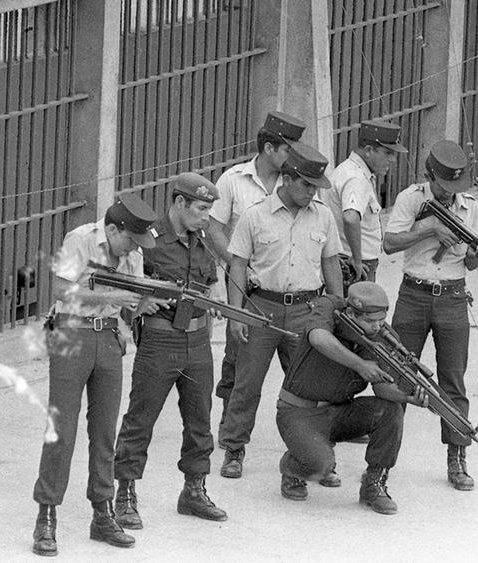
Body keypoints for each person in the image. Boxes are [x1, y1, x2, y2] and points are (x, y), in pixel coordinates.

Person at [31, 193, 165, 556]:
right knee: (62, 430)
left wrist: (144, 304)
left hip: (107, 335)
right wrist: (111, 297)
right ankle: (46, 515)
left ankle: (103, 512)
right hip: (71, 333)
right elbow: (61, 289)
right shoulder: (81, 239)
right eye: (130, 240)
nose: (133, 249)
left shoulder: (132, 253)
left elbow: (132, 304)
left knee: (105, 431)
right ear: (113, 230)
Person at [218, 141, 343, 479]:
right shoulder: (255, 215)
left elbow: (331, 262)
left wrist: (337, 308)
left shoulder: (323, 216)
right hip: (262, 309)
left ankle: (318, 457)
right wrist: (236, 314)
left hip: (307, 310)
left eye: (316, 187)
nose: (311, 193)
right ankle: (233, 449)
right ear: (287, 179)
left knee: (310, 388)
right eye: (306, 184)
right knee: (247, 384)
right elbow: (238, 265)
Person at [112, 173, 227, 529]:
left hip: (198, 342)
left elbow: (211, 284)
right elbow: (120, 283)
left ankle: (194, 489)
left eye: (209, 210)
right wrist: (139, 303)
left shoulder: (203, 241)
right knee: (140, 419)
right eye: (201, 209)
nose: (206, 217)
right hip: (160, 343)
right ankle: (125, 494)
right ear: (179, 203)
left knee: (200, 421)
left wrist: (215, 299)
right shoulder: (149, 241)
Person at [382, 140, 478, 489]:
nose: (449, 192)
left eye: (454, 186)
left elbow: (471, 262)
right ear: (430, 177)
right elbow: (389, 243)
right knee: (398, 375)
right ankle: (382, 461)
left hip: (452, 295)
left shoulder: (470, 207)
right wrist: (429, 228)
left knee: (453, 380)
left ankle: (457, 457)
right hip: (414, 293)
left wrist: (474, 255)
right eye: (443, 186)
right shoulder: (411, 199)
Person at [276, 282, 426, 515]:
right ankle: (291, 466)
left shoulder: (381, 336)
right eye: (370, 321)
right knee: (320, 466)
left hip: (337, 413)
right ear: (351, 312)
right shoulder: (329, 306)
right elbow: (319, 338)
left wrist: (408, 397)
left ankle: (374, 484)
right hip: (298, 412)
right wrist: (359, 364)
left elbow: (382, 390)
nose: (377, 326)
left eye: (381, 320)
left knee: (390, 410)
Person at [207, 111, 307, 419]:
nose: (294, 155)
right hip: (244, 284)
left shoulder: (293, 183)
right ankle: (231, 423)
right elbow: (213, 229)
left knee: (299, 360)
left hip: (283, 282)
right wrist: (239, 264)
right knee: (238, 356)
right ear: (268, 148)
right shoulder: (233, 180)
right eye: (288, 149)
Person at [322, 120, 407, 287]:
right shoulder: (356, 178)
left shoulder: (352, 170)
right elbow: (350, 218)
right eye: (388, 153)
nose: (393, 160)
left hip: (348, 261)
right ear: (368, 151)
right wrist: (357, 258)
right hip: (354, 266)